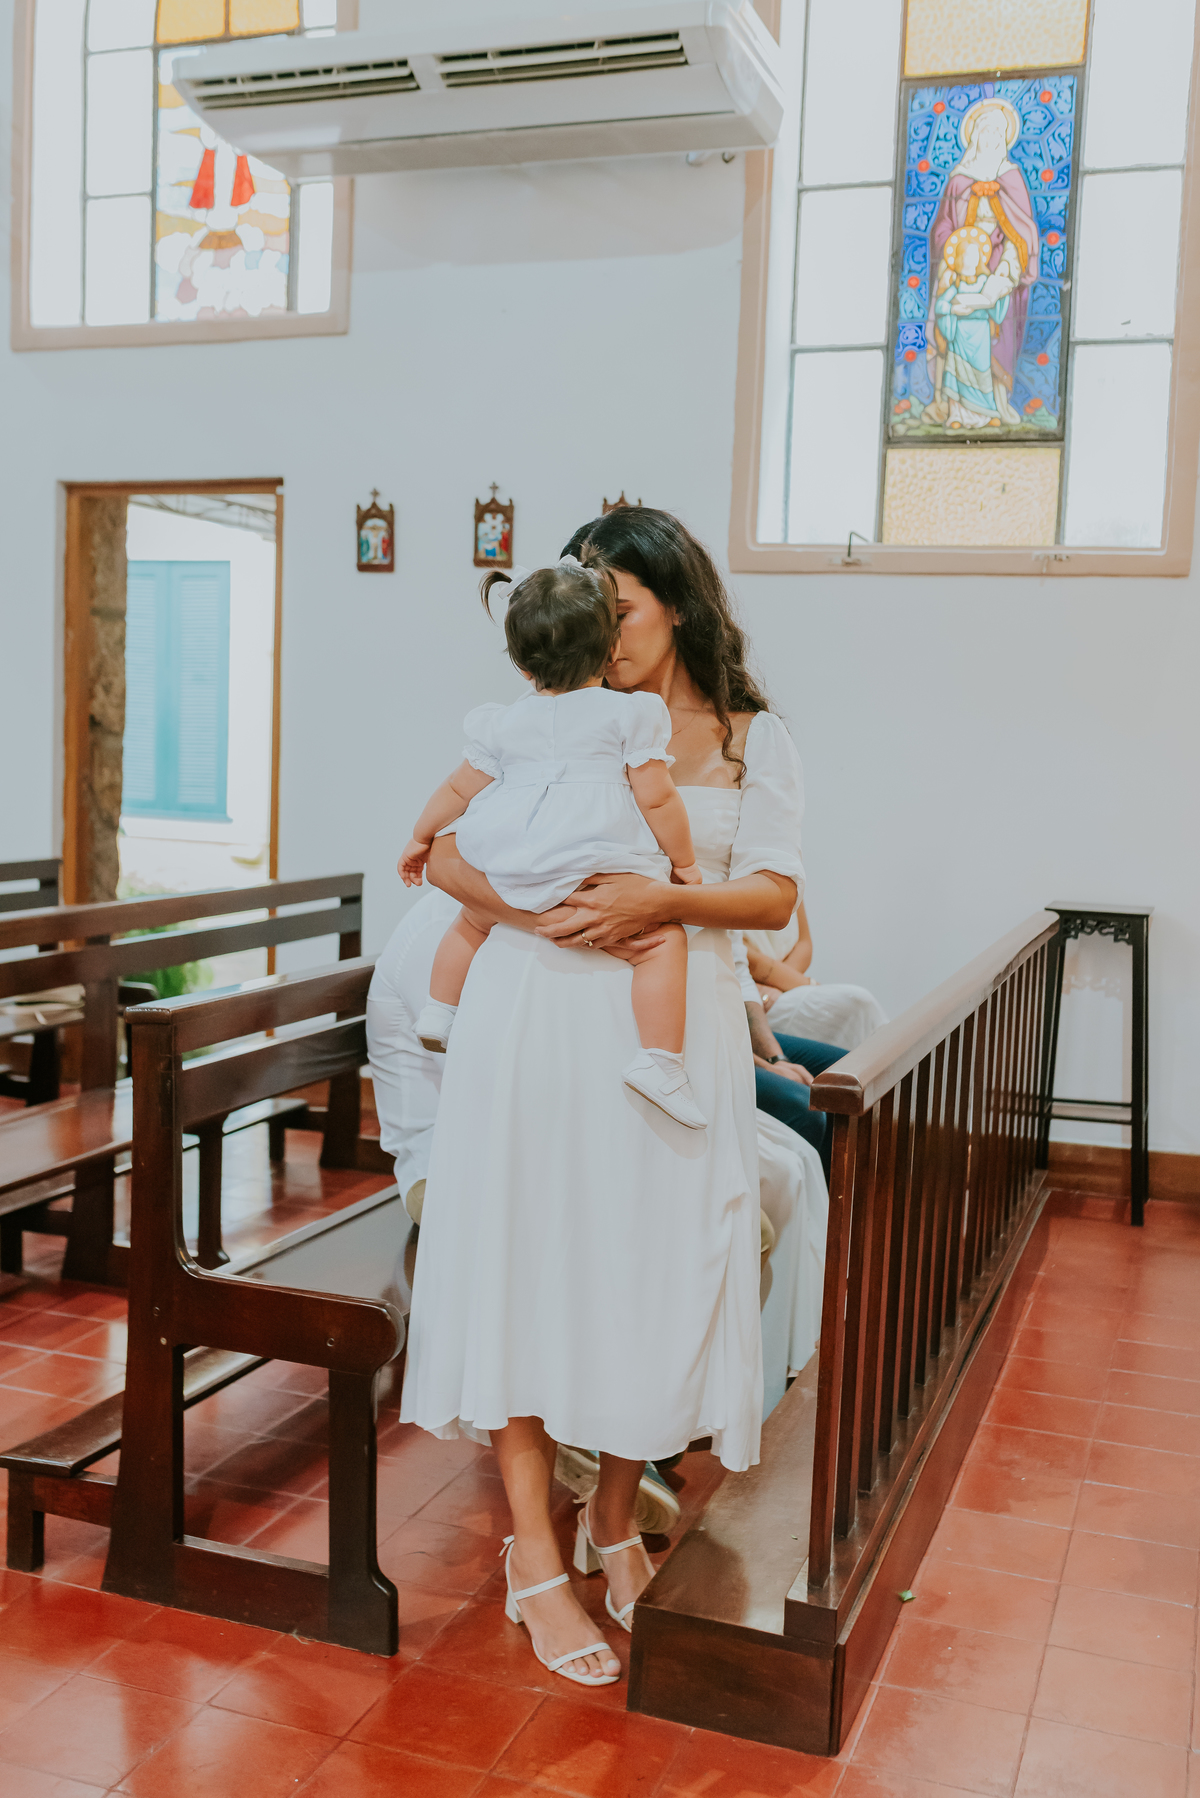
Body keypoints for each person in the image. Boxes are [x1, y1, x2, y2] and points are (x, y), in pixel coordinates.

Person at [397, 508, 807, 1685]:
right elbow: (448, 862)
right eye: (589, 612)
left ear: (676, 605)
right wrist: (544, 910)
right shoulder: (540, 726)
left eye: (621, 610)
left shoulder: (746, 737)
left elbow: (774, 895)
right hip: (530, 1020)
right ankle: (536, 1556)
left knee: (656, 1278)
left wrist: (661, 906)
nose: (605, 634)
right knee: (527, 1267)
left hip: (661, 1036)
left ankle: (613, 1517)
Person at [398, 557, 705, 1128]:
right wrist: (683, 865)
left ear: (519, 663)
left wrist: (420, 837)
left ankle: (439, 1011)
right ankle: (660, 1062)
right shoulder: (630, 714)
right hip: (587, 862)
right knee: (662, 942)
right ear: (609, 647)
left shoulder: (501, 723)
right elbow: (657, 798)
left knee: (469, 919)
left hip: (512, 866)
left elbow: (457, 788)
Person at [739, 899, 888, 1051]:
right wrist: (807, 984)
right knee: (857, 1003)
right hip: (752, 997)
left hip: (784, 988)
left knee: (859, 1008)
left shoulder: (791, 877)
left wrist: (787, 983)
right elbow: (745, 957)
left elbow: (804, 944)